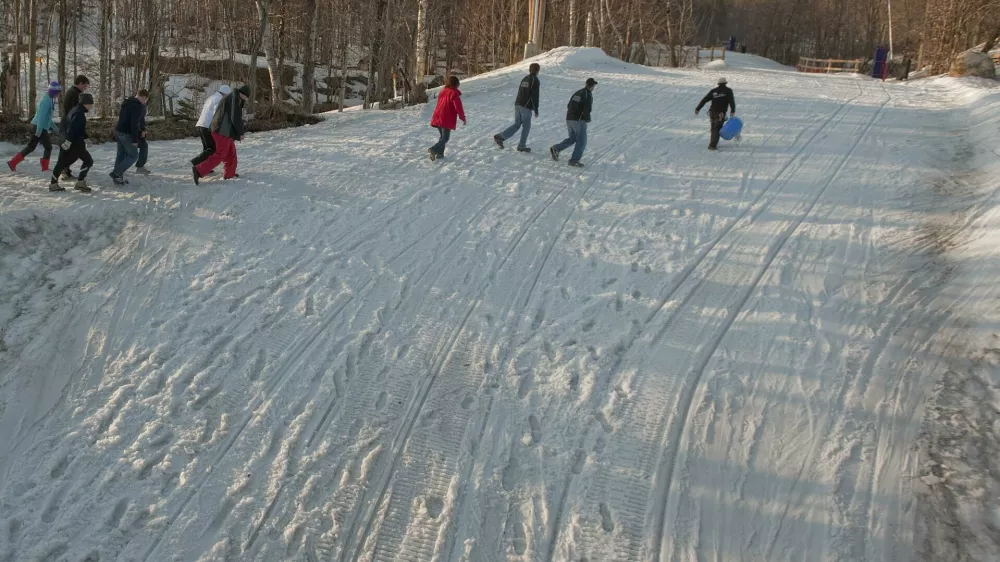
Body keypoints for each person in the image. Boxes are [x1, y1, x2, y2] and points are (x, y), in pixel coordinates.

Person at [193, 84, 249, 184]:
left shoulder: (232, 97)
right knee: (221, 153)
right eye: (246, 96)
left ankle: (230, 173)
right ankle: (199, 170)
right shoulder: (233, 100)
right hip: (221, 130)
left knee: (231, 152)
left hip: (224, 130)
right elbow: (235, 118)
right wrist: (240, 133)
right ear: (242, 94)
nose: (246, 99)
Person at [8, 81, 61, 172]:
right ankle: (44, 167)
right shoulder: (46, 101)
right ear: (53, 92)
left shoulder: (49, 99)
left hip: (38, 126)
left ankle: (13, 162)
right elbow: (41, 117)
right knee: (48, 147)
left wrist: (55, 128)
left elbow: (47, 117)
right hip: (39, 127)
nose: (59, 95)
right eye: (58, 93)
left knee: (31, 146)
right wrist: (39, 131)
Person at [50, 93, 94, 193]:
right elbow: (73, 128)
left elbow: (78, 128)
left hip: (65, 139)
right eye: (90, 104)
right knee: (88, 161)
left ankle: (53, 184)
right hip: (75, 143)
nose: (91, 106)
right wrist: (69, 141)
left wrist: (86, 138)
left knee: (61, 163)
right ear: (85, 103)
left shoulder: (75, 110)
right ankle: (80, 183)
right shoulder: (79, 114)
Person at [493, 63, 540, 152]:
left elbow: (520, 91)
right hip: (525, 106)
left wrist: (518, 103)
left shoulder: (525, 79)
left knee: (517, 124)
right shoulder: (535, 80)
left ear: (530, 70)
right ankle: (521, 146)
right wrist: (536, 109)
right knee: (526, 127)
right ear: (538, 71)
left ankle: (500, 137)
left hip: (518, 104)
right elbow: (535, 96)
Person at [549, 77, 596, 167]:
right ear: (592, 86)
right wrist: (587, 118)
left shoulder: (577, 92)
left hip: (569, 118)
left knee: (573, 138)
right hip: (578, 120)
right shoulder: (588, 94)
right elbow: (587, 109)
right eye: (594, 86)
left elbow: (569, 105)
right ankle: (574, 160)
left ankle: (556, 148)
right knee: (582, 141)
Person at [110, 89, 150, 185]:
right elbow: (134, 124)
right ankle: (116, 173)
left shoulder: (128, 102)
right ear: (143, 97)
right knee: (133, 155)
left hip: (119, 131)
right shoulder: (137, 106)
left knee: (121, 155)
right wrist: (135, 139)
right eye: (145, 100)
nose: (145, 102)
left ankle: (118, 177)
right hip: (126, 133)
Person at [192, 84, 232, 169]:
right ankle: (196, 162)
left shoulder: (211, 98)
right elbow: (216, 113)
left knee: (206, 148)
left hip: (202, 124)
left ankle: (202, 167)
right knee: (212, 149)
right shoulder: (219, 99)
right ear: (225, 94)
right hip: (208, 126)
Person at [427, 76, 466, 161]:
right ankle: (433, 149)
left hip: (437, 116)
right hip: (446, 118)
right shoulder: (454, 94)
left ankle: (440, 154)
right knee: (445, 138)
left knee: (442, 137)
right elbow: (458, 107)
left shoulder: (443, 91)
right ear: (456, 84)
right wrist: (462, 118)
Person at [59, 75, 90, 181]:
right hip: (69, 125)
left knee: (68, 149)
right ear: (80, 83)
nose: (85, 88)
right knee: (70, 149)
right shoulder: (75, 94)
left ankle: (65, 171)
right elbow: (74, 112)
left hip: (67, 123)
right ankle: (63, 170)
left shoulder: (72, 92)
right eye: (85, 86)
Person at [695, 77, 736, 151]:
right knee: (717, 128)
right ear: (725, 83)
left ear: (719, 83)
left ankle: (713, 143)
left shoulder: (714, 91)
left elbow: (704, 100)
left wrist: (698, 108)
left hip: (712, 112)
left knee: (713, 127)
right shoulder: (728, 91)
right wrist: (733, 110)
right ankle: (712, 145)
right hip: (721, 113)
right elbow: (731, 101)